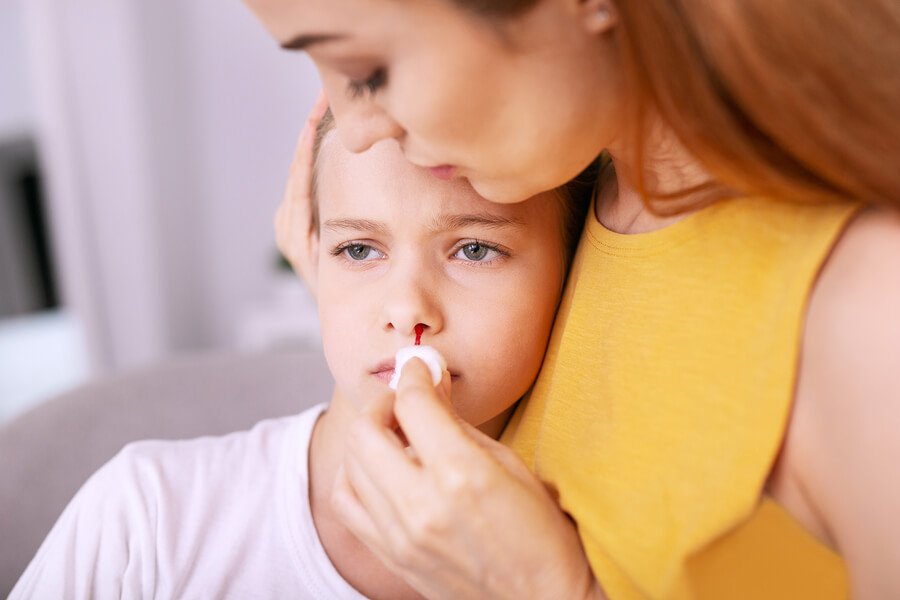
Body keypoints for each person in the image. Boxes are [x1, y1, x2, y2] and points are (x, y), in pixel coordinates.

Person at [246, 0, 900, 597]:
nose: (357, 130)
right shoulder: (587, 198)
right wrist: (351, 274)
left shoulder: (868, 307)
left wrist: (548, 587)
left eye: (369, 67)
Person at [10, 110, 595, 598]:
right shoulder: (147, 517)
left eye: (474, 249)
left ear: (572, 276)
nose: (406, 309)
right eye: (360, 249)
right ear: (313, 256)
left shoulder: (594, 556)